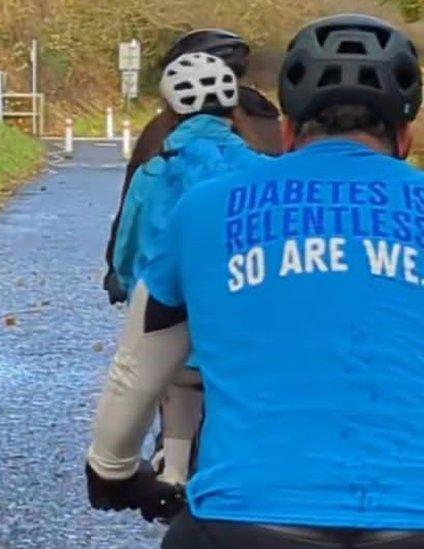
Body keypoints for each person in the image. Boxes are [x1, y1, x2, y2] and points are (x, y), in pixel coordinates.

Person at [87, 13, 424, 548]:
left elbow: (139, 363)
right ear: (406, 137)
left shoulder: (205, 209)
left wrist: (111, 469)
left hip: (249, 518)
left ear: (287, 132)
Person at [112, 52, 269, 493]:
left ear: (172, 110)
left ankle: (173, 472)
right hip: (244, 328)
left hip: (176, 323)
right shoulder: (266, 173)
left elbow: (129, 245)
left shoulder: (155, 170)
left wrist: (125, 284)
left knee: (173, 372)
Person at [103, 28, 282, 305]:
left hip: (162, 299)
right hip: (243, 295)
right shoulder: (269, 131)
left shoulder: (156, 157)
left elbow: (129, 225)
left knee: (136, 348)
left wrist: (119, 277)